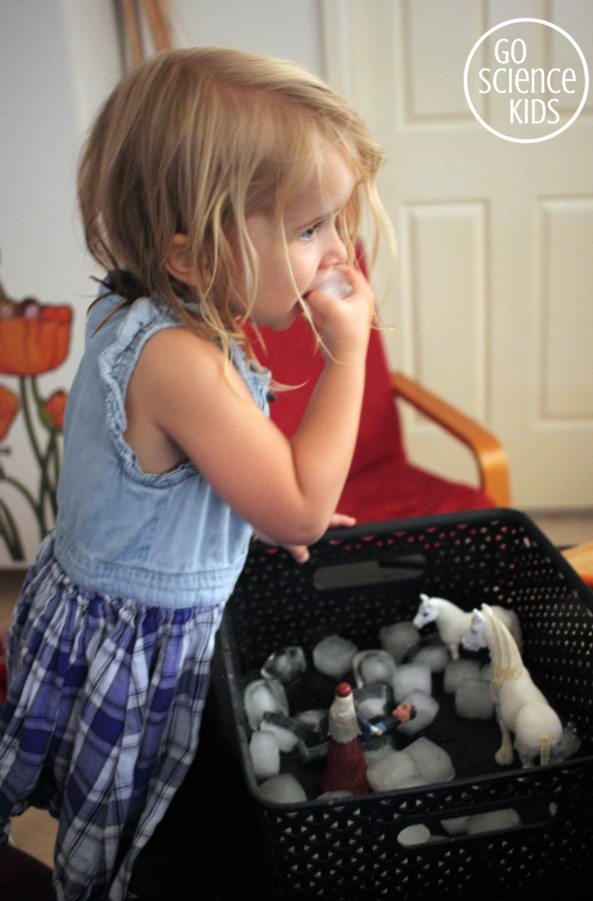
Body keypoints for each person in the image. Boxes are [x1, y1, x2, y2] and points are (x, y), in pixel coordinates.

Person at [0, 46, 387, 900]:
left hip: (104, 603)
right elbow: (297, 507)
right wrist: (349, 356)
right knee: (168, 844)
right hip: (141, 653)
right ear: (193, 255)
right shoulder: (178, 360)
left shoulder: (141, 307)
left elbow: (183, 479)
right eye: (309, 227)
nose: (338, 251)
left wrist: (240, 519)